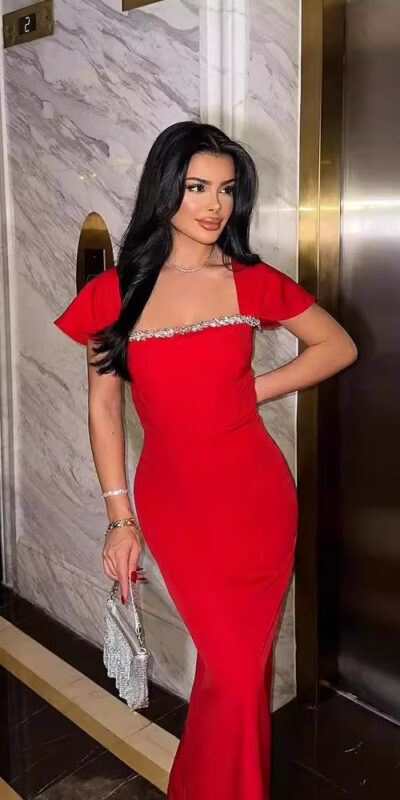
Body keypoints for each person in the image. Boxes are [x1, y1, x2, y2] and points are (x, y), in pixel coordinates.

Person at [53, 120, 357, 800]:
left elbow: (336, 347)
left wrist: (251, 389)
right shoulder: (115, 293)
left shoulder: (250, 280)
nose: (214, 205)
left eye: (226, 189)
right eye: (196, 187)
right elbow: (105, 411)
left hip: (255, 499)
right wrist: (118, 519)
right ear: (165, 188)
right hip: (174, 505)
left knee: (235, 673)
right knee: (230, 671)